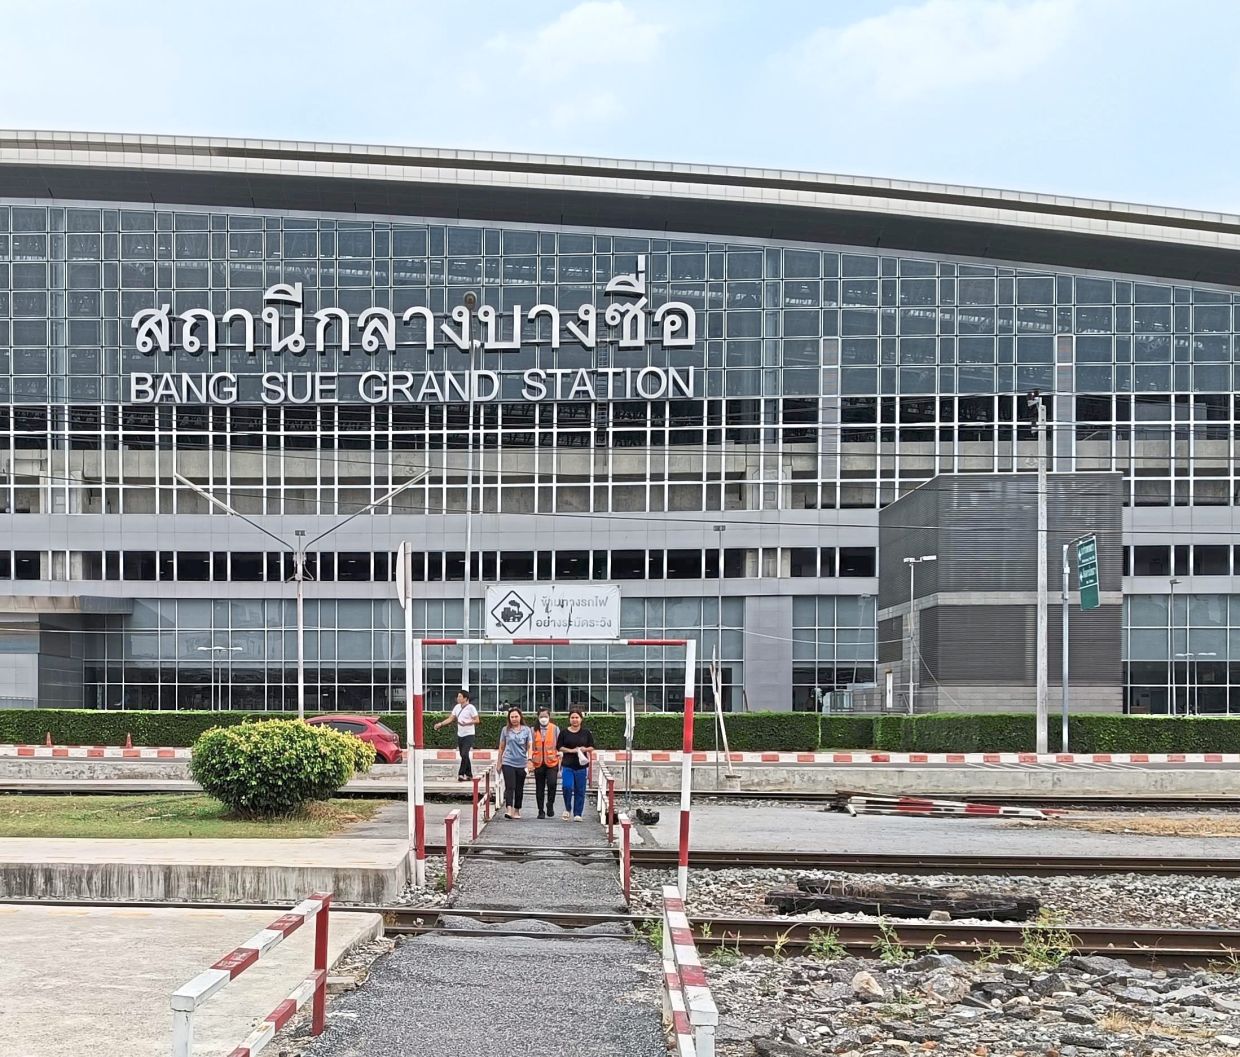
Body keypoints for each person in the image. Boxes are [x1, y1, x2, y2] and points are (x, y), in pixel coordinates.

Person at [556, 708, 595, 821]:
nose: (574, 720)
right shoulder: (564, 732)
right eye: (572, 717)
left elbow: (591, 746)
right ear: (569, 719)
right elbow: (559, 747)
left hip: (581, 766)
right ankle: (568, 808)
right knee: (567, 786)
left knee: (580, 790)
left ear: (581, 719)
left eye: (577, 717)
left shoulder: (586, 733)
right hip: (568, 764)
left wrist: (584, 749)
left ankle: (578, 813)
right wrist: (571, 750)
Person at [433, 689, 479, 781]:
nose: (458, 698)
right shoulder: (457, 707)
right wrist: (441, 724)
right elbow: (451, 718)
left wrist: (467, 723)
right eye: (458, 696)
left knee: (464, 753)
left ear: (465, 698)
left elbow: (477, 720)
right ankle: (469, 774)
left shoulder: (471, 708)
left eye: (460, 696)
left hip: (469, 734)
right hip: (460, 734)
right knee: (463, 755)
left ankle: (461, 774)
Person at [496, 706, 533, 820]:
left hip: (521, 762)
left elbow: (530, 746)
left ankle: (517, 809)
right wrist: (499, 761)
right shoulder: (505, 730)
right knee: (510, 786)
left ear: (520, 717)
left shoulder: (526, 730)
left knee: (519, 787)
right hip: (508, 761)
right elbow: (501, 747)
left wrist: (529, 760)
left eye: (516, 716)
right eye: (512, 717)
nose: (514, 719)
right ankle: (509, 809)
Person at [529, 707, 560, 819]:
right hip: (538, 762)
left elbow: (559, 745)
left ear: (549, 717)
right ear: (538, 717)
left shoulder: (555, 729)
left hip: (552, 762)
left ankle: (550, 804)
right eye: (541, 716)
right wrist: (530, 760)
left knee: (552, 784)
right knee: (539, 787)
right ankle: (540, 810)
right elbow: (530, 746)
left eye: (545, 716)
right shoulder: (533, 730)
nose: (543, 719)